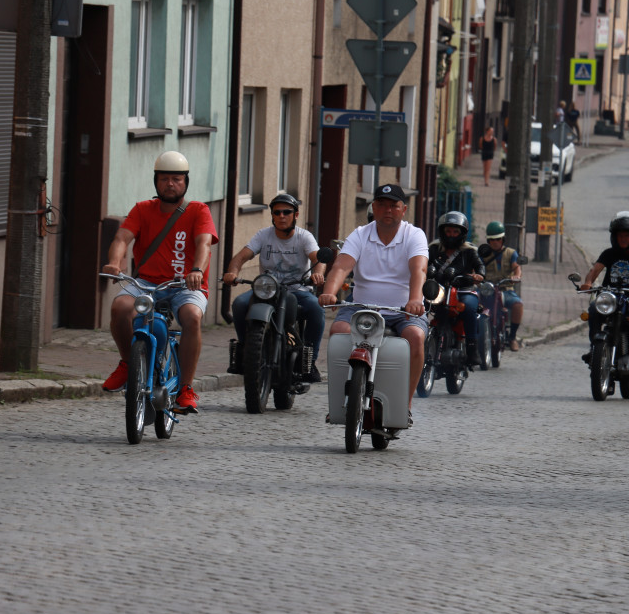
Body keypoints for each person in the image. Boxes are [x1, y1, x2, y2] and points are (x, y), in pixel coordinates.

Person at [101, 151, 219, 414]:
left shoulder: (199, 211)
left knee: (192, 318)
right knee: (120, 307)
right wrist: (115, 263)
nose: (170, 184)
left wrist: (197, 270)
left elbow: (204, 244)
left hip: (185, 285)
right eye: (164, 179)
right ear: (156, 181)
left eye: (176, 179)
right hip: (146, 282)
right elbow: (122, 238)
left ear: (185, 182)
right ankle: (127, 364)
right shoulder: (143, 209)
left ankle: (186, 388)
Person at [318, 184, 428, 421]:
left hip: (402, 310)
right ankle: (339, 402)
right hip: (361, 307)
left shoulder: (414, 235)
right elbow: (341, 266)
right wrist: (329, 292)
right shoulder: (360, 234)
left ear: (403, 209)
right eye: (382, 204)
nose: (388, 210)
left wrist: (415, 299)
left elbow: (419, 268)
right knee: (338, 331)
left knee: (416, 337)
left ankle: (405, 405)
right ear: (374, 207)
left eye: (393, 205)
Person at [222, 193, 327, 382]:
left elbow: (318, 259)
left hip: (297, 290)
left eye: (287, 212)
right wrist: (232, 272)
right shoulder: (264, 235)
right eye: (277, 212)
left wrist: (317, 274)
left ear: (295, 215)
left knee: (316, 309)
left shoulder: (304, 237)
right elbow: (240, 257)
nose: (281, 216)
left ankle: (309, 361)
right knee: (239, 303)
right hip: (267, 290)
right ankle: (246, 351)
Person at [576, 211, 629, 370]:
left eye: (627, 235)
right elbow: (595, 270)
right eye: (620, 235)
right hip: (611, 295)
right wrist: (588, 283)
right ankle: (594, 348)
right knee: (593, 308)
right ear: (614, 237)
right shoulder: (608, 253)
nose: (623, 239)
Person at [428, 211, 486, 365]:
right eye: (448, 231)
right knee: (420, 305)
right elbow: (422, 264)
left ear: (462, 233)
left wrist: (479, 275)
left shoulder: (469, 251)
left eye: (455, 231)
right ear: (442, 231)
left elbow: (480, 266)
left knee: (468, 308)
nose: (451, 235)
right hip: (439, 290)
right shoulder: (433, 248)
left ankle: (472, 350)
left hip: (463, 289)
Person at [481, 221, 524, 351]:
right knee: (472, 305)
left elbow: (517, 267)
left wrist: (516, 276)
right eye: (492, 239)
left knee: (518, 305)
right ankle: (473, 336)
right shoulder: (483, 252)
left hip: (505, 289)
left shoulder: (511, 253)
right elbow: (476, 268)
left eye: (498, 239)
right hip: (487, 290)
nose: (495, 242)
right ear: (488, 240)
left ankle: (512, 337)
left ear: (503, 239)